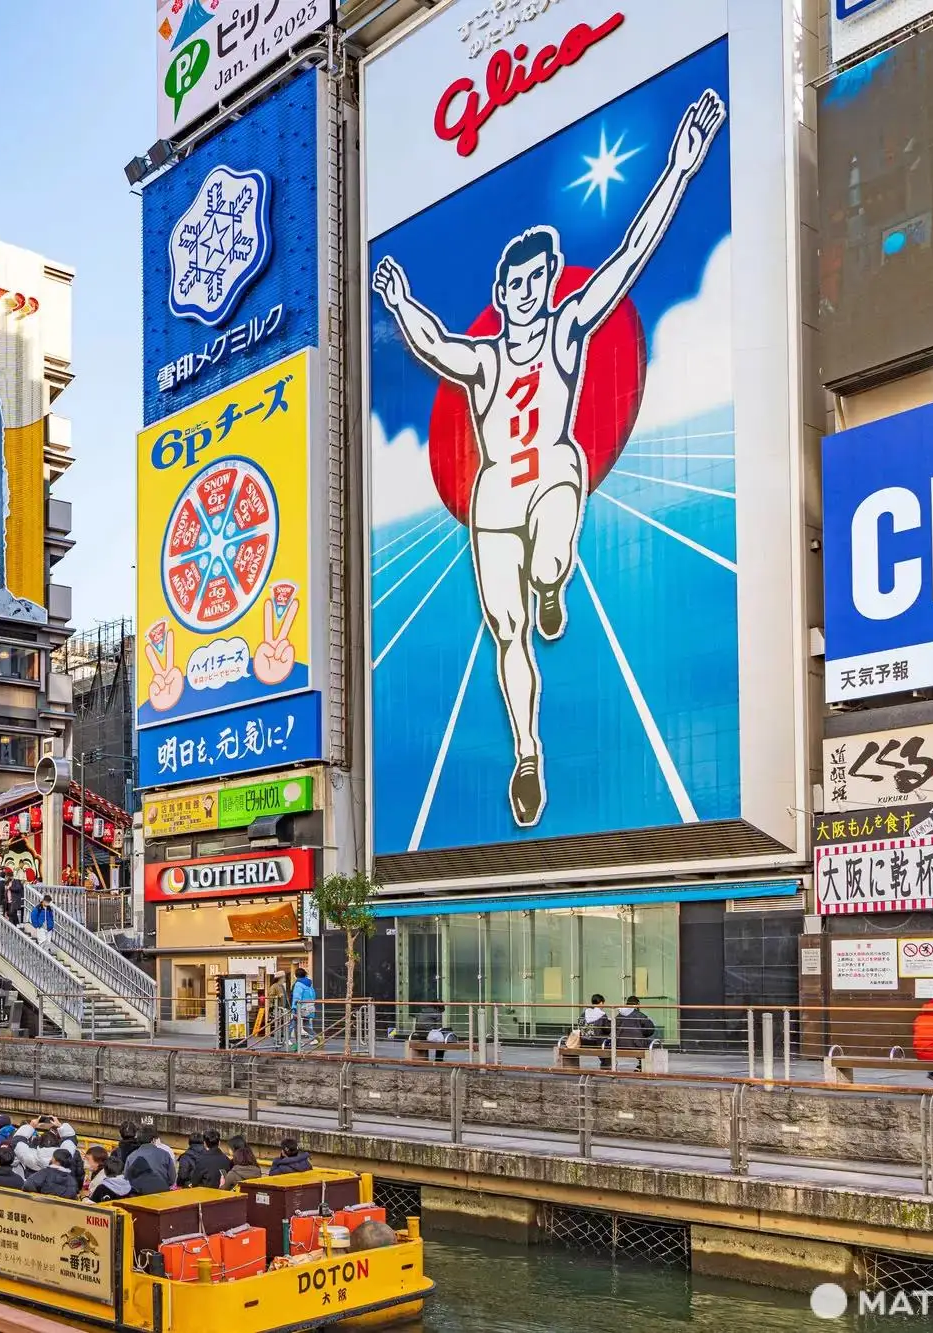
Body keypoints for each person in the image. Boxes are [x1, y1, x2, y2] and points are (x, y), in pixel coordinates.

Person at [371, 87, 726, 827]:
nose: (530, 293)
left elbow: (631, 257)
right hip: (495, 498)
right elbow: (433, 343)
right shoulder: (484, 359)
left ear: (546, 281)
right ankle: (528, 751)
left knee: (553, 524)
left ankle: (553, 577)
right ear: (501, 294)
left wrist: (681, 169)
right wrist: (401, 304)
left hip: (555, 470)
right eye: (518, 285)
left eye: (539, 279)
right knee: (506, 627)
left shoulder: (568, 330)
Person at [579, 995, 611, 1069]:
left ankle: (605, 1064)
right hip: (597, 1042)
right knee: (608, 1044)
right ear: (600, 1003)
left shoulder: (585, 1013)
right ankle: (606, 1066)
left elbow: (580, 1024)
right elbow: (607, 1030)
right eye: (603, 1003)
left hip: (584, 1040)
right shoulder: (602, 1014)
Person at [292, 967, 317, 1043]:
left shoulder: (298, 984)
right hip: (310, 1007)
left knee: (295, 1025)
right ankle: (317, 1037)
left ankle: (297, 1043)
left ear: (296, 976)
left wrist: (294, 1009)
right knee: (306, 1026)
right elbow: (313, 995)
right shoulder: (309, 984)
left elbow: (297, 997)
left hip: (301, 1008)